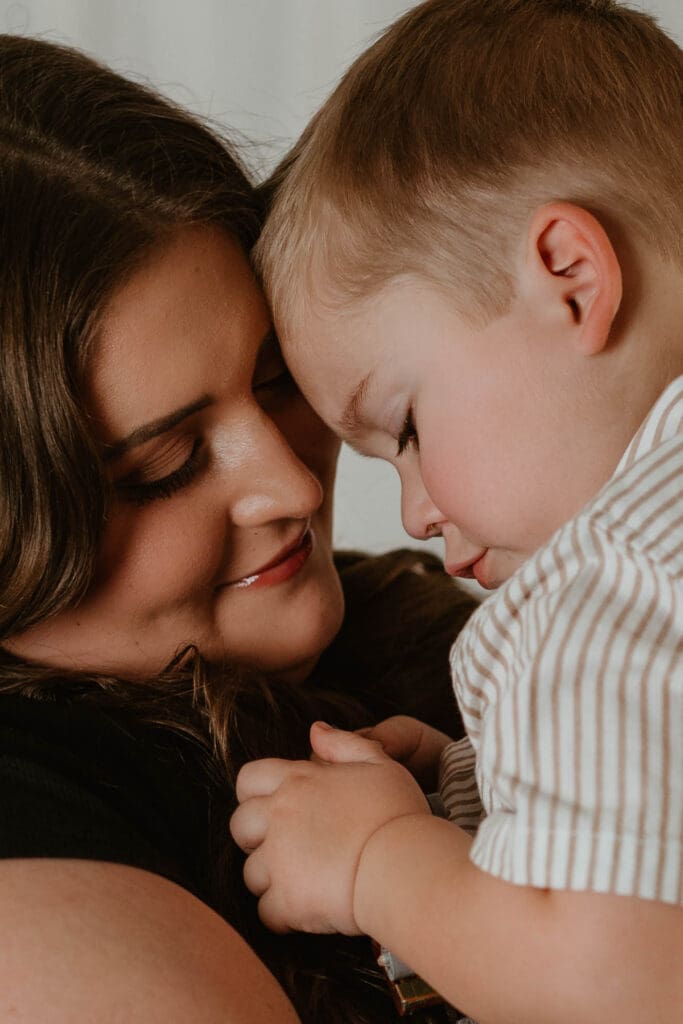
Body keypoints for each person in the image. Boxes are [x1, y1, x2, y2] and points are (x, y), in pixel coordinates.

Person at [0, 33, 479, 1024]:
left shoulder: (425, 628)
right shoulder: (37, 818)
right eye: (161, 466)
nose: (289, 484)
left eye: (272, 379)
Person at [230, 0, 683, 1021]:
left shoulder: (608, 584)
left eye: (406, 427)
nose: (416, 508)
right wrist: (483, 787)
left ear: (569, 280)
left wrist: (379, 858)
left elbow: (618, 982)